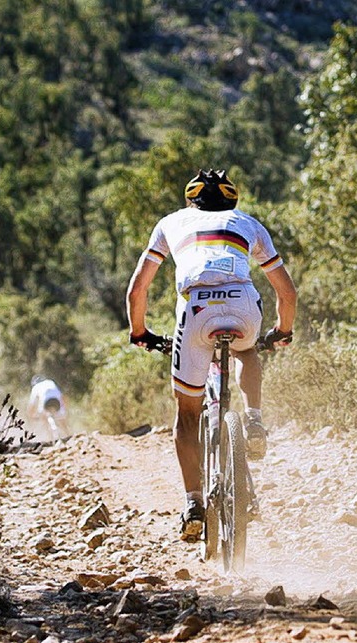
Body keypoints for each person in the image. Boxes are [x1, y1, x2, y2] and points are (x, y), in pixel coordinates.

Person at [126, 168, 297, 541]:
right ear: (231, 201)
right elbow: (287, 293)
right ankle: (253, 419)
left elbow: (137, 290)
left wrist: (139, 332)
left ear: (191, 201)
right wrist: (282, 331)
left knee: (186, 414)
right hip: (243, 305)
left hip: (196, 310)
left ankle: (193, 503)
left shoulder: (170, 222)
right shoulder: (248, 224)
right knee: (247, 350)